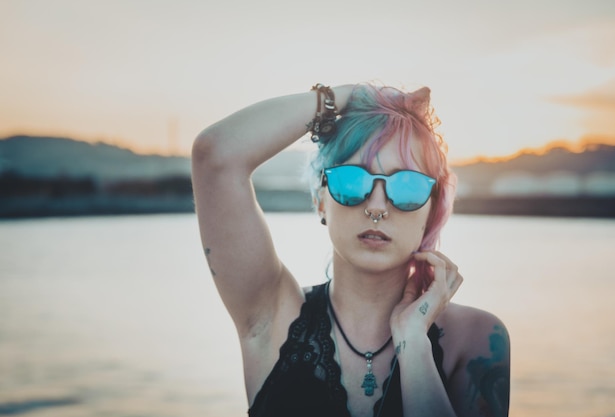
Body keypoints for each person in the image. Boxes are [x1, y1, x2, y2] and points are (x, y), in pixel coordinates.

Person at [191, 83, 510, 417]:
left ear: (432, 210)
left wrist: (414, 343)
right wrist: (352, 96)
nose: (376, 207)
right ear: (320, 201)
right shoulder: (271, 316)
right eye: (351, 180)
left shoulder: (477, 339)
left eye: (407, 186)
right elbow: (216, 154)